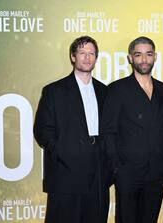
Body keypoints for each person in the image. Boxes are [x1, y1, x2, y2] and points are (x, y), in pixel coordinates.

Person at [33, 36, 110, 223]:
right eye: (82, 53)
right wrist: (64, 151)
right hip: (66, 174)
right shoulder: (54, 91)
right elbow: (42, 130)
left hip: (98, 176)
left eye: (91, 53)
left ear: (96, 58)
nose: (87, 58)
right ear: (72, 57)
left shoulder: (105, 91)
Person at [101, 36, 163, 223]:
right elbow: (108, 130)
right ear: (130, 58)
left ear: (155, 57)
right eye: (138, 54)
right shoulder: (117, 89)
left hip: (158, 171)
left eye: (148, 54)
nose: (144, 60)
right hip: (128, 172)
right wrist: (116, 166)